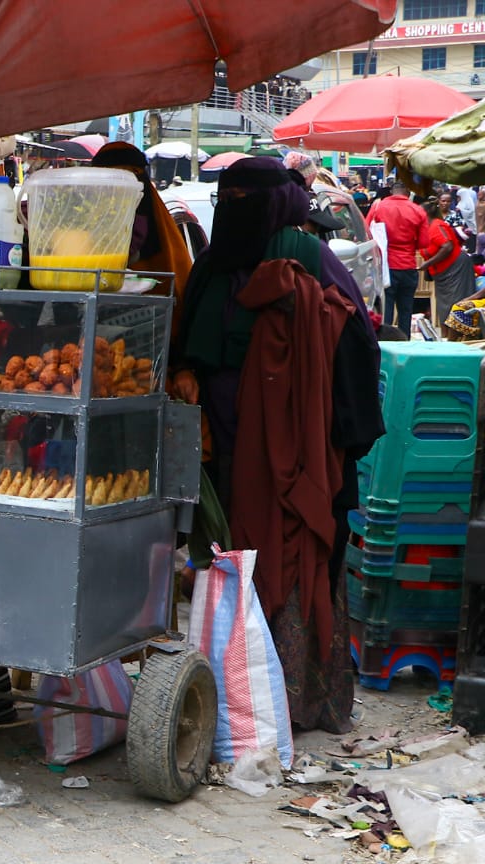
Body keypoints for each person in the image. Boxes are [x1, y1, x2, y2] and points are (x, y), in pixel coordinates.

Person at [177, 157, 383, 734]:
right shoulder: (215, 264)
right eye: (228, 197)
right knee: (231, 560)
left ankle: (294, 705)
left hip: (297, 450)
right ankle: (231, 702)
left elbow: (356, 344)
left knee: (295, 561)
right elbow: (189, 345)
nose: (235, 207)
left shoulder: (309, 256)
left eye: (249, 197)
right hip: (227, 455)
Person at [90, 142, 193, 332]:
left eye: (129, 179)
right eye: (112, 180)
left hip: (156, 330)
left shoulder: (159, 227)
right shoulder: (82, 225)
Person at [366, 179, 428, 335]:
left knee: (386, 308)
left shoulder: (378, 207)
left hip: (386, 267)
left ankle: (385, 343)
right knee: (406, 309)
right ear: (407, 194)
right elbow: (424, 242)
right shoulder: (418, 210)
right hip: (408, 265)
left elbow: (367, 233)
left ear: (391, 192)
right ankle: (404, 341)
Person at [420, 197, 477, 329]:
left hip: (456, 268)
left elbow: (447, 246)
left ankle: (462, 337)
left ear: (425, 214)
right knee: (446, 308)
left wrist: (428, 263)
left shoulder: (436, 226)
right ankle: (450, 338)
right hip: (443, 273)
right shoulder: (425, 229)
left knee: (457, 306)